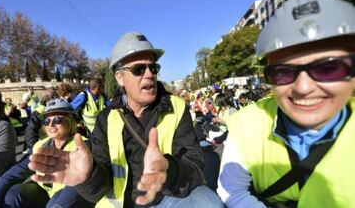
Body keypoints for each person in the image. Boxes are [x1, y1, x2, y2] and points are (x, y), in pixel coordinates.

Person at [29, 32, 224, 208]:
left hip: (168, 198)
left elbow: (195, 167)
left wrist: (168, 171)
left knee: (206, 202)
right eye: (139, 69)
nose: (149, 74)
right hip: (119, 204)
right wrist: (87, 176)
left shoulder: (177, 107)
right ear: (120, 78)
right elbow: (99, 188)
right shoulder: (106, 119)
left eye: (153, 68)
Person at [217, 0, 355, 207]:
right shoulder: (247, 124)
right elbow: (231, 190)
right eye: (283, 72)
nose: (303, 88)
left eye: (328, 67)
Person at [0, 99, 94, 208]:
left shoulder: (84, 146)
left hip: (74, 198)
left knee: (56, 202)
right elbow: (11, 175)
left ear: (71, 121)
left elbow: (80, 184)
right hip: (48, 195)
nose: (51, 125)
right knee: (14, 193)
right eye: (47, 121)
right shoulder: (40, 146)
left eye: (57, 120)